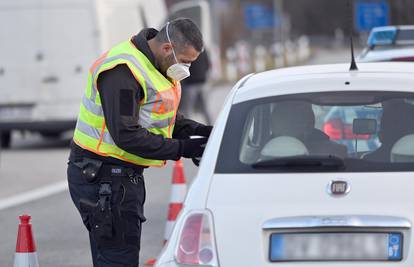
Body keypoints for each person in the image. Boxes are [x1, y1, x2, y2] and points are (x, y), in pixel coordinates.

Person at [67, 18, 213, 267]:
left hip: (119, 177)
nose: (187, 69)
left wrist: (205, 131)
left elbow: (162, 117)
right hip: (102, 176)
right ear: (168, 48)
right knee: (118, 259)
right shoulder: (123, 71)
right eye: (185, 61)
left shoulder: (155, 64)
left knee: (119, 255)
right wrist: (183, 149)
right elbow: (127, 134)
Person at [179, 50, 211, 124]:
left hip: (191, 83)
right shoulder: (203, 49)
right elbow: (208, 64)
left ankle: (187, 129)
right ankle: (212, 128)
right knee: (204, 109)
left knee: (187, 109)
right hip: (202, 82)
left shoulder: (188, 49)